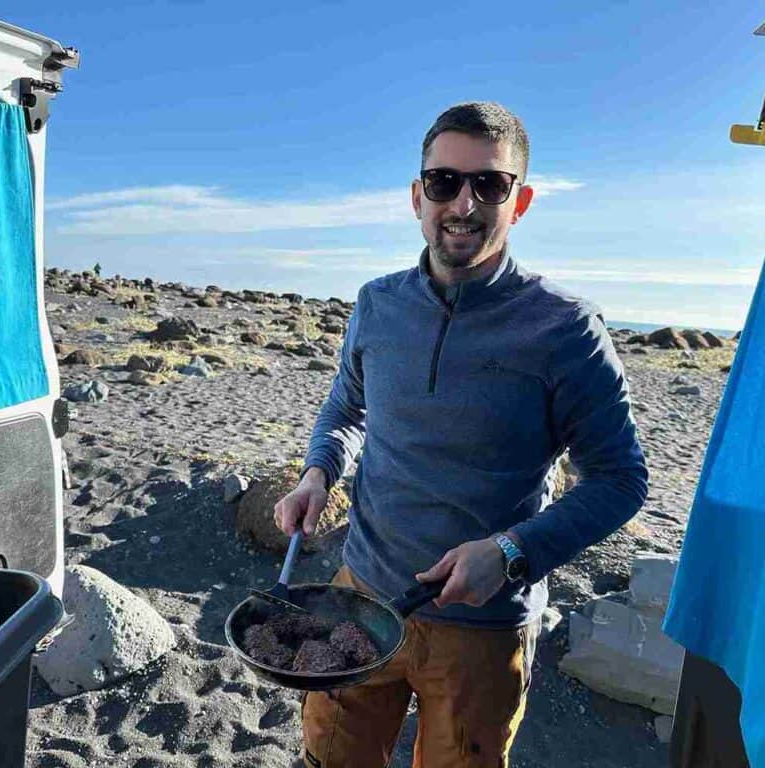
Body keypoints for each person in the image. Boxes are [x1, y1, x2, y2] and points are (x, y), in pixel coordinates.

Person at [274, 101, 648, 768]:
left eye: (490, 185)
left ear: (521, 200)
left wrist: (509, 551)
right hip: (362, 595)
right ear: (418, 196)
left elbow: (621, 480)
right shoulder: (377, 304)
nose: (464, 203)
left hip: (482, 629)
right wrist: (317, 472)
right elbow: (348, 406)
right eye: (445, 182)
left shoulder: (566, 330)